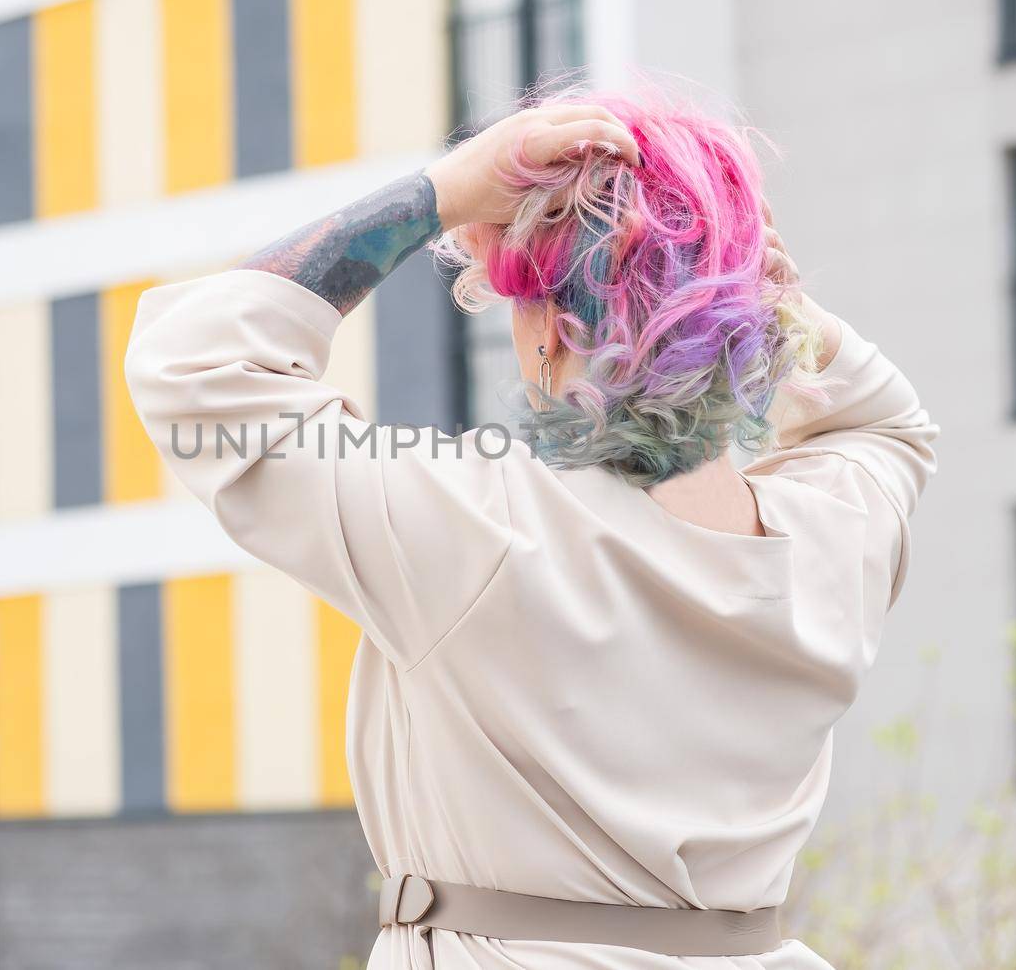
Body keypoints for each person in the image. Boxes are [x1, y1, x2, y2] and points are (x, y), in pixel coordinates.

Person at [124, 86, 938, 969]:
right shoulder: (830, 544)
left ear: (557, 332)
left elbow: (192, 365)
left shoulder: (479, 527)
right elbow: (886, 423)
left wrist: (438, 193)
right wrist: (743, 286)